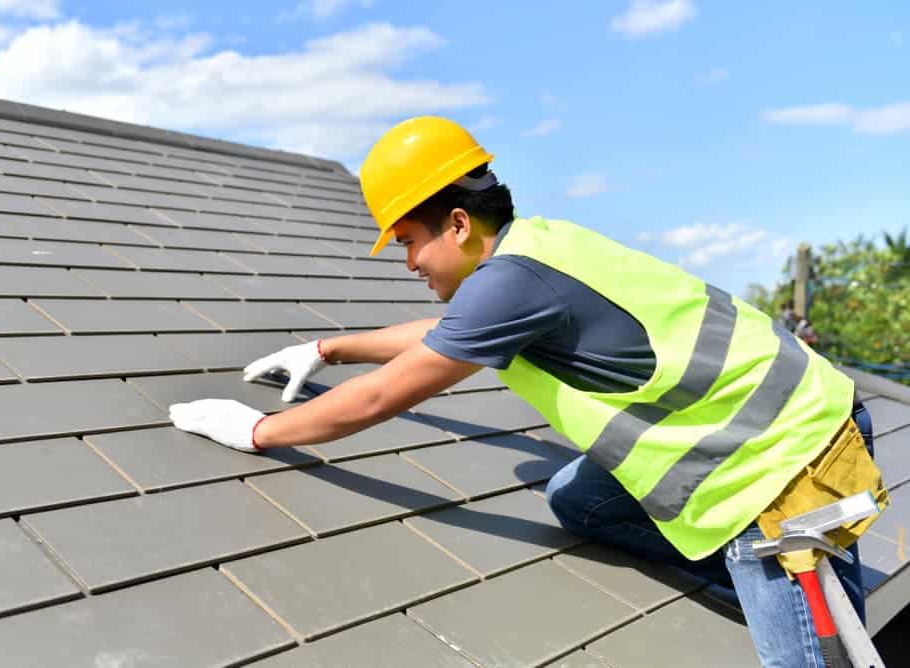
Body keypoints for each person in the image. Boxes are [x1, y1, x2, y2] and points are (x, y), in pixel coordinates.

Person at [169, 116, 887, 667]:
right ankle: (746, 578)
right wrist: (328, 347)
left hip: (786, 475)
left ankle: (770, 585)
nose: (409, 260)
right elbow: (445, 333)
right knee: (577, 497)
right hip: (772, 425)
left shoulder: (511, 283)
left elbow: (378, 400)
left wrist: (255, 432)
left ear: (456, 223)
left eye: (410, 240)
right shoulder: (532, 250)